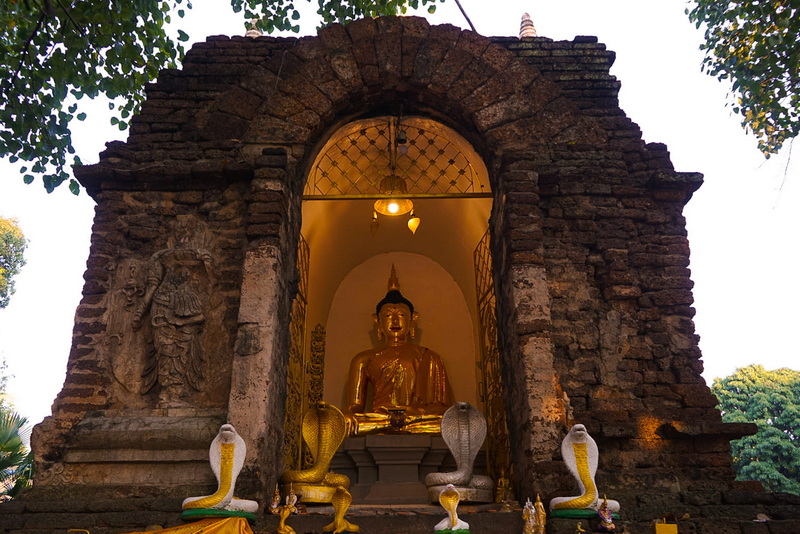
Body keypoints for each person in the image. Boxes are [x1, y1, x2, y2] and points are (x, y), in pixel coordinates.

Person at [343, 267, 452, 435]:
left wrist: (416, 413)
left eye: (401, 315)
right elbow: (355, 406)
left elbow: (442, 408)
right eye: (387, 316)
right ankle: (395, 425)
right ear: (377, 320)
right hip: (380, 419)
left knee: (450, 424)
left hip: (415, 420)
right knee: (346, 424)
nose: (395, 321)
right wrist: (347, 414)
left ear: (413, 318)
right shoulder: (363, 359)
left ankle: (400, 425)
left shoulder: (430, 357)